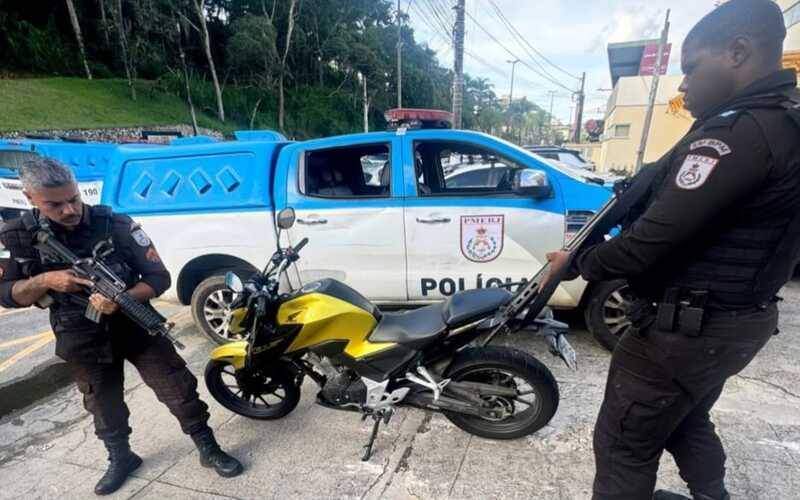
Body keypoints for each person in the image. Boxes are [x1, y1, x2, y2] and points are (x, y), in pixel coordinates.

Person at [546, 1, 800, 499]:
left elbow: (648, 243)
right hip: (733, 324)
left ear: (738, 52)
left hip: (685, 331)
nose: (682, 86)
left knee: (622, 445)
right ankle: (712, 494)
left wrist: (575, 264)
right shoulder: (783, 124)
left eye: (690, 69)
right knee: (685, 417)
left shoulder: (738, 135)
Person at [0, 158, 244, 495]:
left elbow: (159, 277)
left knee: (178, 389)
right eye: (54, 204)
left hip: (136, 326)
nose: (69, 210)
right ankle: (121, 457)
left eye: (73, 199)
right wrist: (45, 280)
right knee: (102, 402)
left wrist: (124, 298)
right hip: (79, 334)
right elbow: (8, 295)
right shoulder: (16, 236)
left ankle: (207, 446)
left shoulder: (114, 224)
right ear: (29, 198)